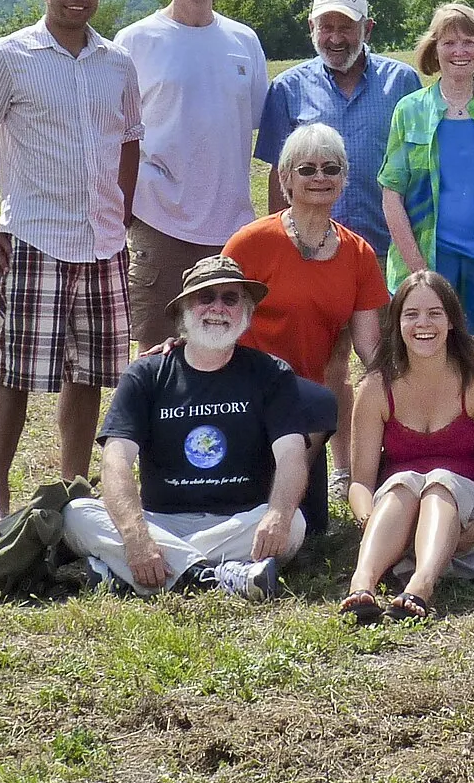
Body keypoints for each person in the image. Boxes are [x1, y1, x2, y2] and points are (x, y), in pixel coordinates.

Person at [0, 0, 144, 531]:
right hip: (35, 236)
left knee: (90, 372)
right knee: (16, 370)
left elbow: (131, 140)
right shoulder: (6, 57)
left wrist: (123, 213)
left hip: (103, 241)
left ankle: (72, 488)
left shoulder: (116, 62)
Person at [61, 256, 336, 600]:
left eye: (230, 299)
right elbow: (115, 461)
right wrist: (136, 537)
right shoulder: (146, 375)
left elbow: (293, 454)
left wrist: (277, 515)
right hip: (159, 521)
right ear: (183, 313)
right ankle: (213, 576)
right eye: (206, 298)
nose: (217, 308)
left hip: (238, 522)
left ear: (246, 313)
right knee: (76, 514)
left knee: (292, 523)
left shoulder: (271, 374)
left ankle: (129, 574)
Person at [114, 0, 269, 351]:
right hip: (159, 221)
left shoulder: (244, 41)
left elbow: (250, 120)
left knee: (225, 354)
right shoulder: (134, 41)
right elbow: (112, 133)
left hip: (231, 229)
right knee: (153, 354)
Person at [224, 123, 389, 508]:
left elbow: (369, 347)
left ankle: (281, 498)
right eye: (307, 169)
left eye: (331, 169)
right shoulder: (251, 243)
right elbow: (212, 316)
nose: (320, 177)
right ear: (285, 178)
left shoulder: (359, 255)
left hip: (306, 407)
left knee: (310, 522)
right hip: (242, 390)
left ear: (344, 178)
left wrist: (421, 381)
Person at [341, 271, 474, 623]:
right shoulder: (376, 387)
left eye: (435, 313)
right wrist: (368, 518)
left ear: (452, 321)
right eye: (411, 315)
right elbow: (361, 481)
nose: (423, 324)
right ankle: (362, 583)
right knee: (404, 481)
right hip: (399, 530)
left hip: (472, 531)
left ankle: (421, 587)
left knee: (439, 480)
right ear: (397, 323)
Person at [378, 2, 474, 341]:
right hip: (428, 263)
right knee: (423, 368)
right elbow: (392, 197)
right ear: (434, 49)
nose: (460, 51)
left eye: (469, 41)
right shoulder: (409, 111)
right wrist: (421, 280)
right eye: (449, 43)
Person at [256, 0, 421, 262]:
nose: (335, 38)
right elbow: (279, 175)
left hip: (389, 251)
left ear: (367, 29)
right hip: (312, 253)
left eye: (345, 27)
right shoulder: (287, 88)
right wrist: (282, 248)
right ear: (311, 27)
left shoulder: (402, 82)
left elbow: (421, 168)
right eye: (326, 27)